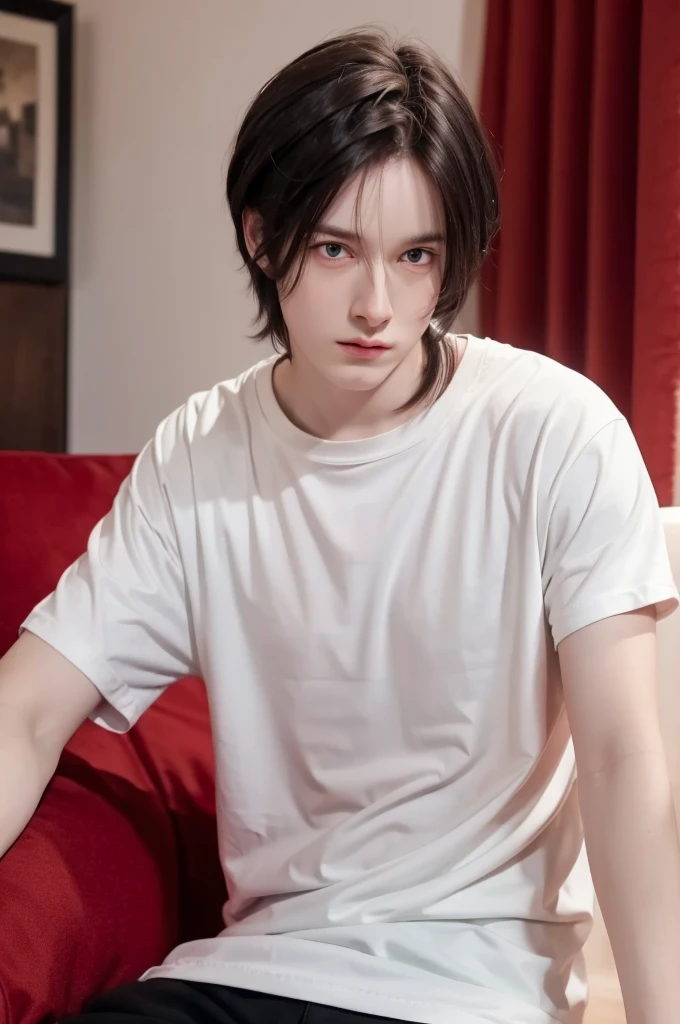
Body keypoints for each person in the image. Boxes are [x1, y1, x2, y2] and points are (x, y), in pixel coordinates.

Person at [1, 25, 679, 1024]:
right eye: (333, 249)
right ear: (259, 234)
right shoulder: (199, 452)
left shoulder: (552, 432)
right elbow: (25, 713)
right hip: (249, 974)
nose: (376, 304)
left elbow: (625, 759)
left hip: (473, 991)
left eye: (415, 256)